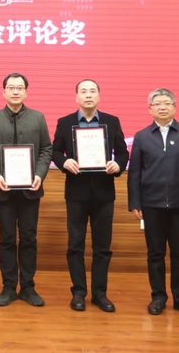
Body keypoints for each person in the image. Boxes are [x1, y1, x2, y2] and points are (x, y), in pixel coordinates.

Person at [127, 88, 179, 319]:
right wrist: (135, 202)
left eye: (167, 103)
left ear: (174, 107)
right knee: (155, 253)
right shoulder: (142, 136)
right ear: (150, 109)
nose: (162, 107)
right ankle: (158, 297)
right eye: (157, 103)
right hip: (151, 205)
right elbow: (135, 173)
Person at [52, 79, 129, 312]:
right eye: (83, 91)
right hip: (76, 192)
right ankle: (78, 292)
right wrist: (65, 162)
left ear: (99, 96)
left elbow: (123, 152)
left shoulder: (112, 121)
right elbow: (55, 151)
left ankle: (99, 293)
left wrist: (118, 165)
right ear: (76, 97)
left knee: (102, 247)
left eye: (92, 91)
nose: (88, 95)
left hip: (104, 193)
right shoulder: (65, 122)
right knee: (75, 245)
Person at [0, 73, 53, 307]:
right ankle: (9, 286)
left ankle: (28, 286)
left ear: (26, 92)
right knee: (7, 238)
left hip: (30, 189)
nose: (15, 91)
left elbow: (46, 149)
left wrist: (39, 175)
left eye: (19, 88)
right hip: (2, 189)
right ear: (3, 91)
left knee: (29, 238)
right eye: (11, 88)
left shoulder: (37, 117)